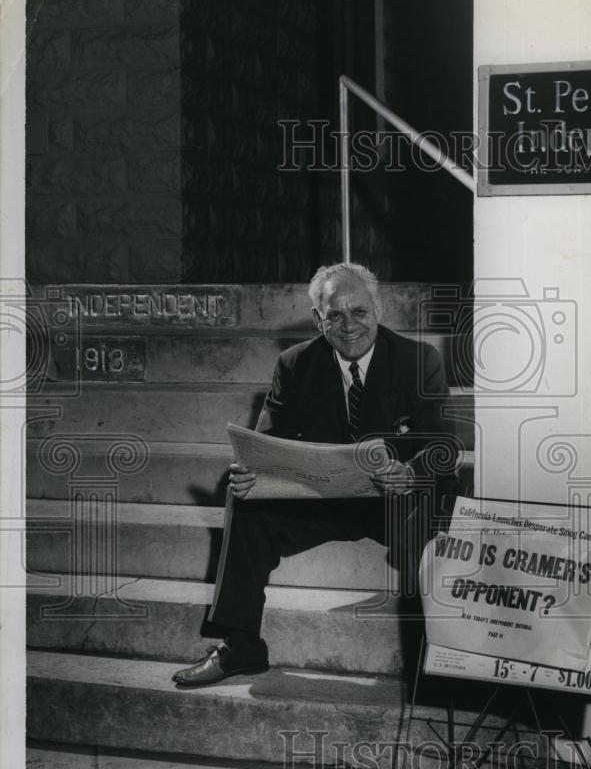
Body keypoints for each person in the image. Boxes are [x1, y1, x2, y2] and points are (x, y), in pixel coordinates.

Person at [173, 262, 459, 687]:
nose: (349, 326)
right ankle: (242, 646)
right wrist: (254, 473)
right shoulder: (295, 364)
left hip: (396, 502)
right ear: (317, 320)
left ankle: (443, 651)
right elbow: (268, 445)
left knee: (444, 493)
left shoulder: (419, 360)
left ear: (378, 309)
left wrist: (411, 473)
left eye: (359, 312)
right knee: (244, 498)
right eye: (335, 316)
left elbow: (444, 445)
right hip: (326, 501)